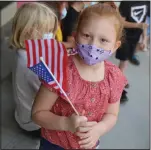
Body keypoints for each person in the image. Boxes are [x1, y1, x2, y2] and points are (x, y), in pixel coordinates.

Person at [32, 3, 127, 149]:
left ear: (115, 46)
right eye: (86, 35)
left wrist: (99, 129)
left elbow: (112, 115)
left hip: (88, 144)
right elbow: (37, 113)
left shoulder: (114, 76)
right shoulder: (59, 70)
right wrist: (65, 123)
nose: (93, 45)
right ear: (75, 36)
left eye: (103, 40)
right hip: (55, 143)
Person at [10, 2, 58, 137]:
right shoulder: (33, 63)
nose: (51, 36)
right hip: (33, 124)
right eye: (47, 31)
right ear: (28, 31)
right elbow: (49, 91)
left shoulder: (22, 51)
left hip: (22, 113)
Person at [115, 1, 149, 102]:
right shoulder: (126, 2)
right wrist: (138, 25)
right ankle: (118, 90)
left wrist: (144, 40)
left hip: (135, 38)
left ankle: (120, 80)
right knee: (123, 63)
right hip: (125, 37)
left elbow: (144, 23)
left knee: (126, 63)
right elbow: (121, 22)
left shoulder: (147, 2)